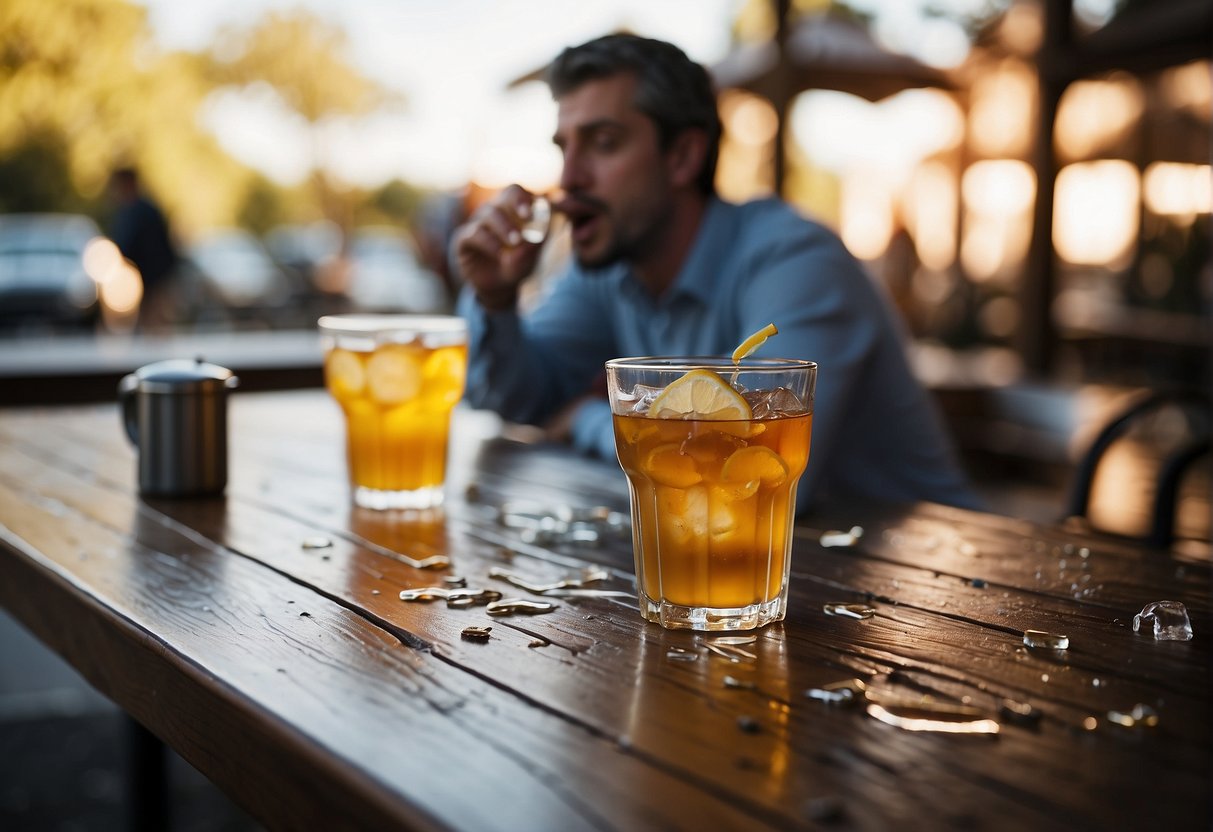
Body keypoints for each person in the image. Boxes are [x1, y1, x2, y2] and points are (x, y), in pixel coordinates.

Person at [452, 34, 979, 513]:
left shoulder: (796, 259)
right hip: (779, 576)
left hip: (931, 581)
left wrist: (588, 421)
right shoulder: (610, 266)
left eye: (603, 143)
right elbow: (513, 399)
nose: (568, 179)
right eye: (564, 148)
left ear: (683, 156)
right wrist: (495, 297)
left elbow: (747, 471)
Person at [107, 167, 179, 331]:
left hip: (154, 274)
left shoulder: (141, 210)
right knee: (149, 318)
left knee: (156, 317)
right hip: (145, 274)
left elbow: (131, 243)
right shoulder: (134, 209)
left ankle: (157, 349)